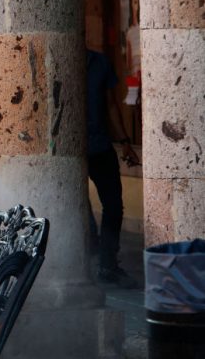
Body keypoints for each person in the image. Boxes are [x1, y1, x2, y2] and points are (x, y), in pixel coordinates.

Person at [86, 49, 140, 288]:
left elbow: (110, 105)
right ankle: (85, 263)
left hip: (99, 145)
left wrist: (125, 142)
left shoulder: (100, 61)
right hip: (68, 150)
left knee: (114, 206)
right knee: (80, 212)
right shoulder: (55, 55)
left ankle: (109, 265)